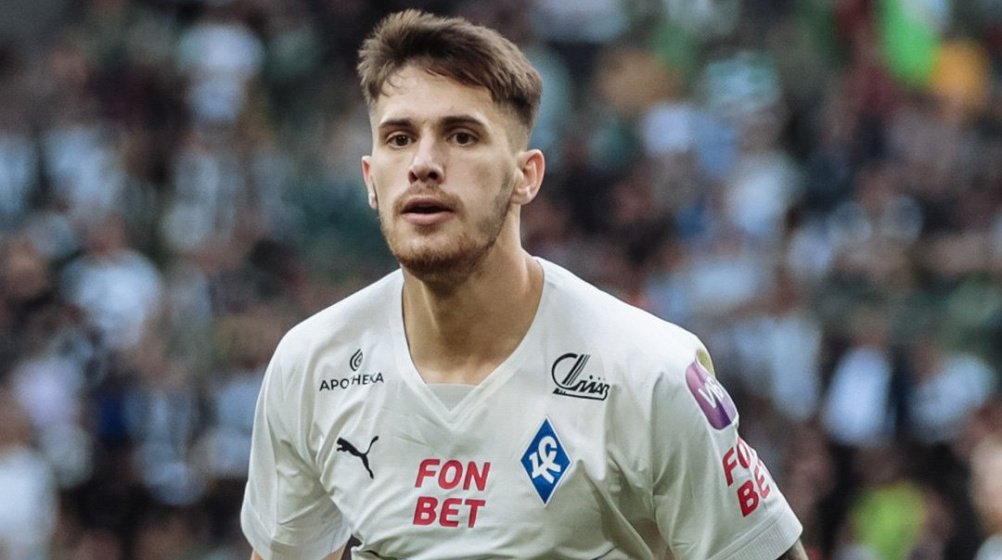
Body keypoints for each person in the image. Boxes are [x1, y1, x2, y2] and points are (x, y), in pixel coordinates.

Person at [240, 9, 807, 560]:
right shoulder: (312, 366)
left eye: (462, 136)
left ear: (526, 176)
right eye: (399, 138)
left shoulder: (648, 374)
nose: (424, 163)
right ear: (371, 179)